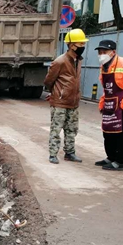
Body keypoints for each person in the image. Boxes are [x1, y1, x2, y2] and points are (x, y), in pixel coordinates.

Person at [95, 40, 123, 171]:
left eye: (104, 52)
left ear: (113, 52)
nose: (101, 54)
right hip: (110, 104)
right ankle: (110, 157)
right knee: (108, 132)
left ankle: (121, 161)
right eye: (99, 52)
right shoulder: (104, 66)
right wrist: (102, 103)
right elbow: (106, 88)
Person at [43, 28, 87, 164]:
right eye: (80, 44)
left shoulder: (78, 60)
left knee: (72, 129)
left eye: (83, 44)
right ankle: (53, 154)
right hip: (60, 102)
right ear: (71, 45)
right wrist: (56, 93)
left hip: (73, 102)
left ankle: (70, 153)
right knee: (56, 129)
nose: (82, 47)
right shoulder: (60, 61)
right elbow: (48, 81)